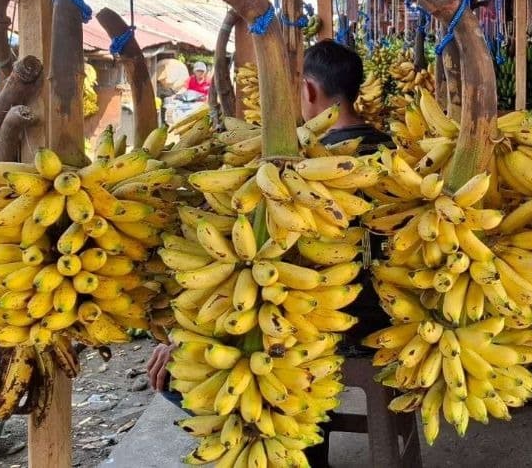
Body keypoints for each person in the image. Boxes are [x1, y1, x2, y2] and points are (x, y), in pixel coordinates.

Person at [146, 39, 393, 397]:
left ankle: (287, 440)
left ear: (308, 89)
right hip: (390, 315)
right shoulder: (393, 151)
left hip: (320, 325)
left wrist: (190, 337)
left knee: (178, 375)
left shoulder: (297, 173)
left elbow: (263, 266)